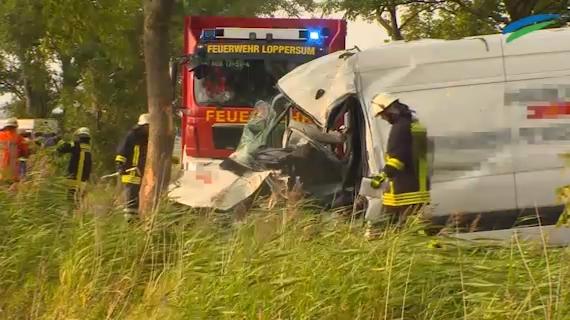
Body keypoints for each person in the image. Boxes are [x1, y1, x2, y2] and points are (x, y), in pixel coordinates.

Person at [365, 93, 431, 237]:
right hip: (418, 185)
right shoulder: (414, 123)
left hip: (404, 187)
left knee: (385, 225)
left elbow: (398, 158)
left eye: (383, 114)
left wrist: (382, 176)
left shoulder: (400, 128)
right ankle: (431, 250)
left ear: (389, 110)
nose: (383, 118)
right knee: (416, 225)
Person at [115, 113, 149, 221]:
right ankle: (129, 223)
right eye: (148, 126)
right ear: (143, 126)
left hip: (140, 174)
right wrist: (120, 166)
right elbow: (122, 152)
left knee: (138, 201)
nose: (149, 129)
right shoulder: (132, 136)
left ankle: (136, 221)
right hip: (130, 173)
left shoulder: (146, 138)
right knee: (131, 200)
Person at [56, 127, 92, 206]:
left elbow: (61, 149)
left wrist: (61, 140)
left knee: (71, 200)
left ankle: (71, 214)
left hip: (73, 177)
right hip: (84, 179)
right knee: (80, 200)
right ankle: (79, 215)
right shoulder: (88, 148)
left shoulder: (75, 145)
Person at [0, 118, 30, 185]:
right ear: (16, 127)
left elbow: (24, 151)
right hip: (11, 164)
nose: (10, 129)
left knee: (5, 182)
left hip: (5, 163)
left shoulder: (2, 135)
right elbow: (25, 153)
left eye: (10, 127)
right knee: (12, 182)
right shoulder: (19, 138)